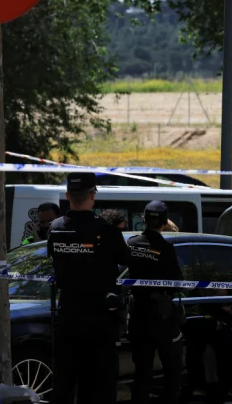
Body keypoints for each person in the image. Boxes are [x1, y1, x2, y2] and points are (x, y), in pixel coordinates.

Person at [48, 173, 129, 404]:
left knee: (64, 382)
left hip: (68, 315)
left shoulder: (54, 228)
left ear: (67, 196)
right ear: (92, 195)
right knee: (99, 385)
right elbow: (126, 259)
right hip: (99, 318)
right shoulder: (108, 231)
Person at [126, 201, 184, 404]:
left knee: (142, 371)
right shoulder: (165, 248)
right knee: (173, 368)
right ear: (164, 223)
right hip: (161, 317)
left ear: (143, 220)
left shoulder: (131, 244)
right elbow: (177, 281)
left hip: (137, 314)